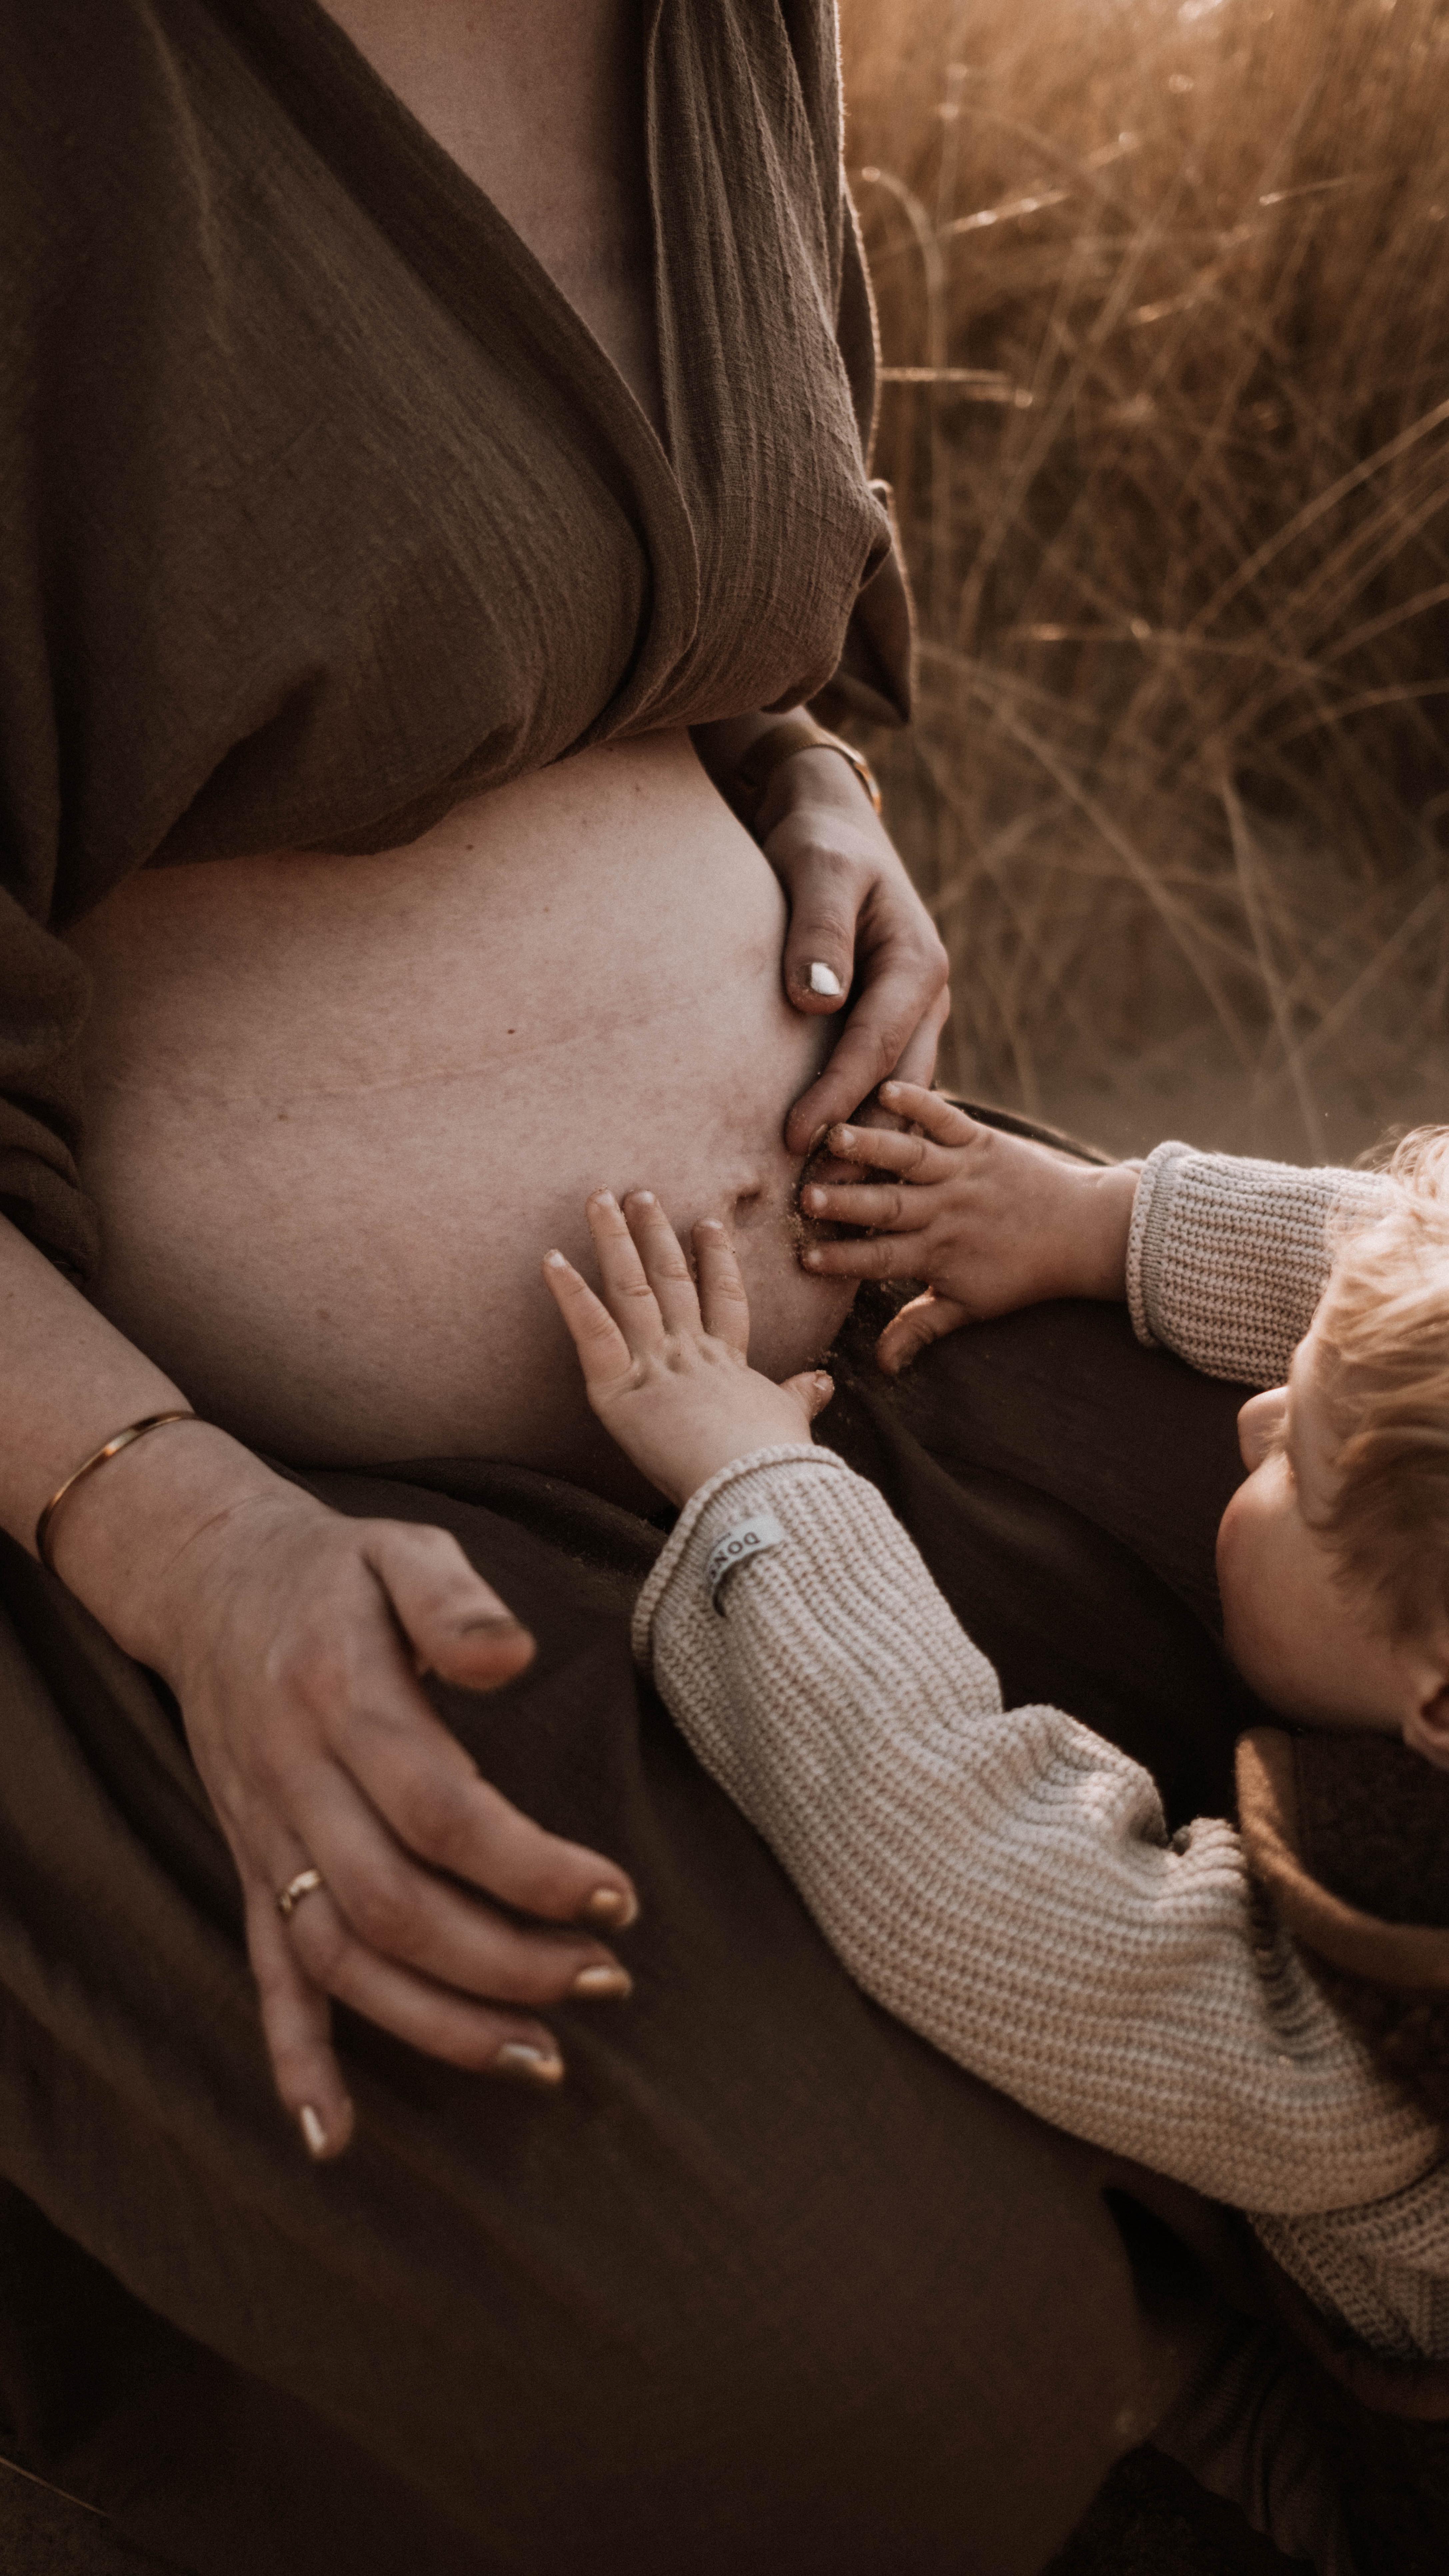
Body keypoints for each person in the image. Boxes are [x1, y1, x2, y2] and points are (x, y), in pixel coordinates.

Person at [1, 7, 1263, 2571]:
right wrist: (184, 1535)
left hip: (865, 1304)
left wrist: (800, 783)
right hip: (191, 1489)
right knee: (910, 2376)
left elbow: (692, 602)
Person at [543, 1093, 1449, 2574]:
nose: (1252, 1420)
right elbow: (1414, 1280)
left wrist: (753, 1488)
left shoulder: (1384, 2037)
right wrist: (1104, 1223)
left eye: (1302, 1466)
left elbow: (989, 1878)